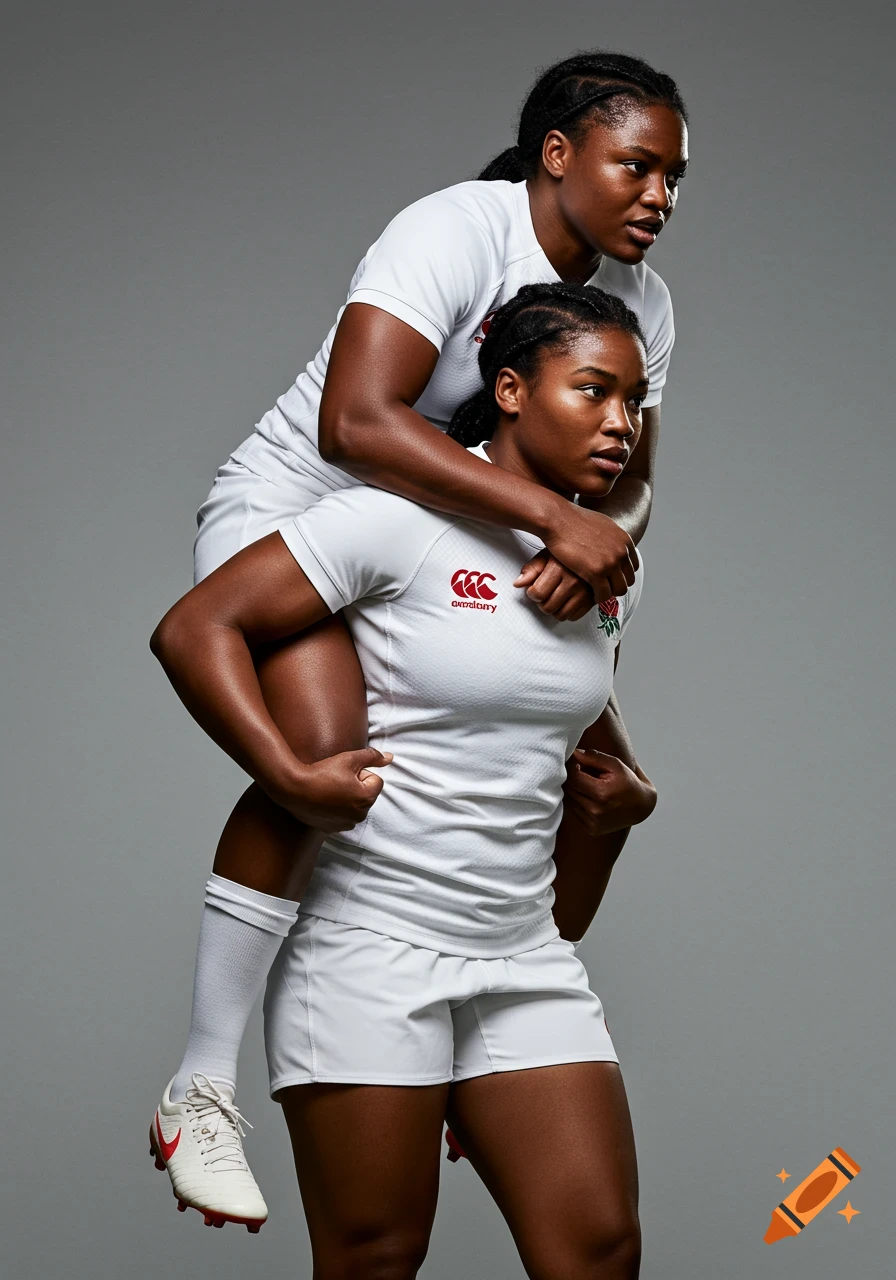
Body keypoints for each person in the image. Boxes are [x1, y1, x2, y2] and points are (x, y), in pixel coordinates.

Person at [151, 49, 689, 1225]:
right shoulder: (457, 227)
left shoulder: (640, 305)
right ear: (558, 155)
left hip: (467, 525)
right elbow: (355, 421)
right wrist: (552, 513)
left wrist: (596, 537)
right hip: (305, 503)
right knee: (325, 747)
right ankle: (200, 1076)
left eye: (674, 177)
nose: (659, 194)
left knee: (575, 752)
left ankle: (461, 1050)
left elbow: (633, 485)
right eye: (634, 164)